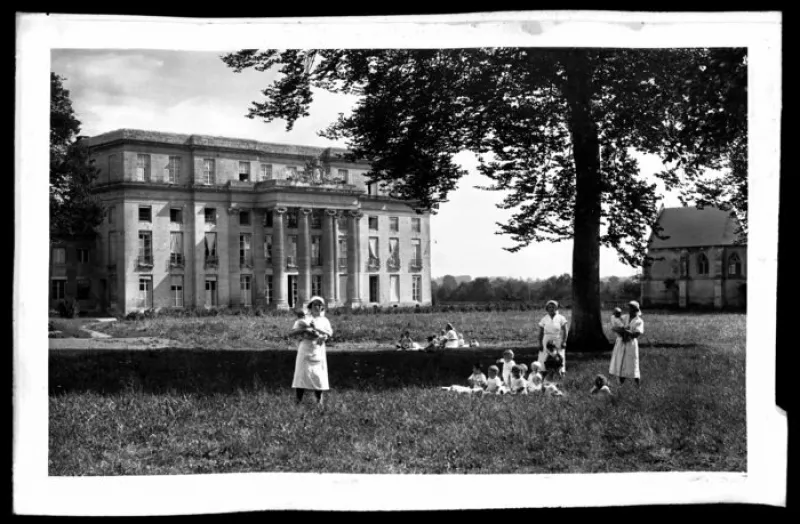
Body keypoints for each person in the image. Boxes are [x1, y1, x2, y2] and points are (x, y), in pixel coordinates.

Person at [289, 296, 333, 406]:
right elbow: (292, 333)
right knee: (302, 375)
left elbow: (329, 333)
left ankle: (319, 402)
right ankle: (298, 401)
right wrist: (304, 329)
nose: (317, 307)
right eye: (315, 305)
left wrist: (321, 335)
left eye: (320, 305)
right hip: (305, 348)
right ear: (310, 306)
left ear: (322, 307)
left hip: (318, 349)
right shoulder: (304, 319)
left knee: (318, 376)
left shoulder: (324, 320)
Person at [608, 301, 644, 387]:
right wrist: (621, 331)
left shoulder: (639, 321)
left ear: (636, 310)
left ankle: (637, 384)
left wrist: (625, 332)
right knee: (621, 362)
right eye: (629, 307)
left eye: (631, 308)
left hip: (631, 344)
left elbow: (636, 334)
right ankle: (620, 384)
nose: (629, 309)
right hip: (621, 343)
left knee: (632, 363)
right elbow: (615, 326)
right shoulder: (624, 317)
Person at [538, 300, 569, 374]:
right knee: (543, 356)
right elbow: (541, 332)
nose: (551, 309)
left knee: (560, 355)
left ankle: (561, 371)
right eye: (549, 307)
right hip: (546, 338)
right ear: (547, 308)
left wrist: (564, 341)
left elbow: (565, 331)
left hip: (557, 338)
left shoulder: (561, 318)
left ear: (557, 308)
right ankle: (543, 372)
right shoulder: (544, 318)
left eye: (553, 307)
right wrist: (540, 344)